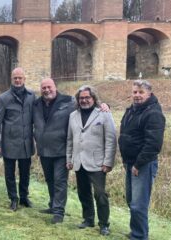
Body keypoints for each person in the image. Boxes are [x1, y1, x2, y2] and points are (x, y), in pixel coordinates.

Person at [118, 80, 166, 240]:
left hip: (143, 164)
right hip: (130, 162)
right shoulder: (132, 110)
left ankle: (139, 236)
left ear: (149, 94)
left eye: (141, 92)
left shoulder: (153, 113)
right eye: (135, 92)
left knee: (139, 204)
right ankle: (135, 232)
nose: (137, 95)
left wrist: (138, 164)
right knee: (132, 200)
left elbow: (153, 144)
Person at [66, 85, 117, 235]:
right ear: (78, 100)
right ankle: (88, 219)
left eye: (87, 97)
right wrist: (69, 159)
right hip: (78, 161)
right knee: (83, 193)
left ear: (93, 98)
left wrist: (108, 162)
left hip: (98, 163)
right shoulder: (72, 116)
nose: (84, 100)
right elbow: (70, 139)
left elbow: (111, 139)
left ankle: (104, 224)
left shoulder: (104, 114)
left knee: (100, 194)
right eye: (81, 98)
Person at [0, 67, 35, 211]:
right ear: (12, 79)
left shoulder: (31, 96)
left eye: (20, 78)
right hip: (9, 142)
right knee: (10, 173)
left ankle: (24, 197)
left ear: (24, 79)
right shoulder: (3, 98)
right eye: (15, 78)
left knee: (25, 173)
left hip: (26, 143)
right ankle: (13, 199)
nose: (17, 80)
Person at [32, 78, 73, 223]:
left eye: (49, 87)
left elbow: (88, 104)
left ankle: (59, 212)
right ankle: (52, 205)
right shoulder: (36, 104)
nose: (46, 90)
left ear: (55, 87)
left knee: (60, 181)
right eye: (43, 88)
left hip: (61, 150)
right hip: (44, 150)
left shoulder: (69, 101)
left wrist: (104, 105)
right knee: (50, 180)